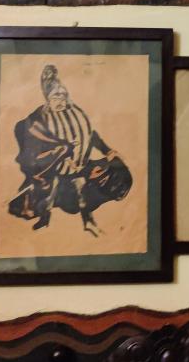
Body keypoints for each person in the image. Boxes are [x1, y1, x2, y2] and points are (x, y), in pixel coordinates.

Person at [8, 65, 132, 235]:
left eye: (63, 97)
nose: (61, 101)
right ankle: (47, 216)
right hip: (58, 165)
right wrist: (66, 154)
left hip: (69, 165)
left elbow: (88, 136)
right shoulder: (44, 122)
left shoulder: (76, 115)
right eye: (56, 97)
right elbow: (82, 138)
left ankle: (85, 220)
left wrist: (104, 150)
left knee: (74, 184)